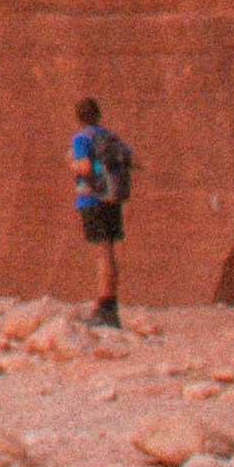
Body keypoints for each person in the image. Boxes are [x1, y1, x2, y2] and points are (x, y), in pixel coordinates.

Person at [71, 92, 135, 329]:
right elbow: (131, 159)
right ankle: (109, 303)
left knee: (103, 252)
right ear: (98, 115)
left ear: (78, 118)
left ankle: (106, 305)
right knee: (109, 249)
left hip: (92, 200)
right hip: (112, 198)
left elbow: (85, 167)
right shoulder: (109, 136)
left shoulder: (81, 139)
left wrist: (72, 163)